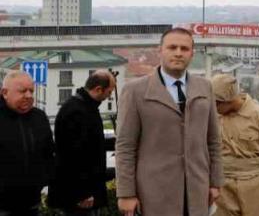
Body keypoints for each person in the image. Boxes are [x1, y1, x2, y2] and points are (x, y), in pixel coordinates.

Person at [116, 28, 223, 216]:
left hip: (196, 191)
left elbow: (213, 140)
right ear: (160, 51)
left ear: (192, 53)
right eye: (172, 47)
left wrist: (215, 182)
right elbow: (125, 146)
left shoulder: (205, 87)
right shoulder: (135, 91)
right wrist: (126, 193)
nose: (178, 53)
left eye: (184, 48)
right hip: (154, 193)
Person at [211, 74, 259, 216]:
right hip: (223, 186)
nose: (214, 107)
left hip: (254, 187)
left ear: (229, 100)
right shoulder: (214, 116)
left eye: (217, 103)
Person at [49, 70, 116, 215]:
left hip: (82, 192)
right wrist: (83, 193)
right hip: (80, 196)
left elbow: (90, 144)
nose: (109, 96)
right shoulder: (77, 111)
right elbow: (72, 156)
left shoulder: (83, 106)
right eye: (109, 92)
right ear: (99, 89)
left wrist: (116, 142)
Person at [0, 70, 54, 216]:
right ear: (5, 93)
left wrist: (44, 180)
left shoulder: (39, 117)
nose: (29, 95)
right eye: (22, 91)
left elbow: (49, 154)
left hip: (32, 204)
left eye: (31, 90)